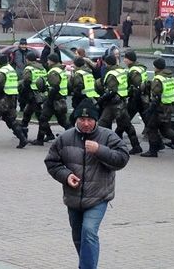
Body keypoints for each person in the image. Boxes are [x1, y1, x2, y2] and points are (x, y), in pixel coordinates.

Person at [44, 99, 129, 269]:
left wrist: (99, 150)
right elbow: (52, 162)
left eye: (90, 120)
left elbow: (122, 158)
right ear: (76, 119)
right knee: (78, 237)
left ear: (96, 120)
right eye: (82, 119)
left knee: (89, 232)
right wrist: (67, 176)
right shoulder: (65, 138)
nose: (86, 123)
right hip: (73, 197)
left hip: (98, 197)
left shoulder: (107, 136)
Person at [96, 54, 142, 154]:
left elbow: (111, 91)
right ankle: (134, 146)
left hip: (114, 103)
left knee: (121, 125)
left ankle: (135, 146)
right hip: (120, 101)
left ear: (106, 63)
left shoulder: (112, 74)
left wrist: (100, 100)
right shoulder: (122, 71)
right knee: (105, 123)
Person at [30, 53, 70, 145]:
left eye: (48, 60)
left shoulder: (54, 72)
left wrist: (49, 99)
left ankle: (40, 140)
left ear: (52, 61)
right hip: (60, 98)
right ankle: (75, 136)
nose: (47, 62)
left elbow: (55, 87)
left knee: (43, 118)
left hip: (54, 99)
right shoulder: (60, 70)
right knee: (62, 120)